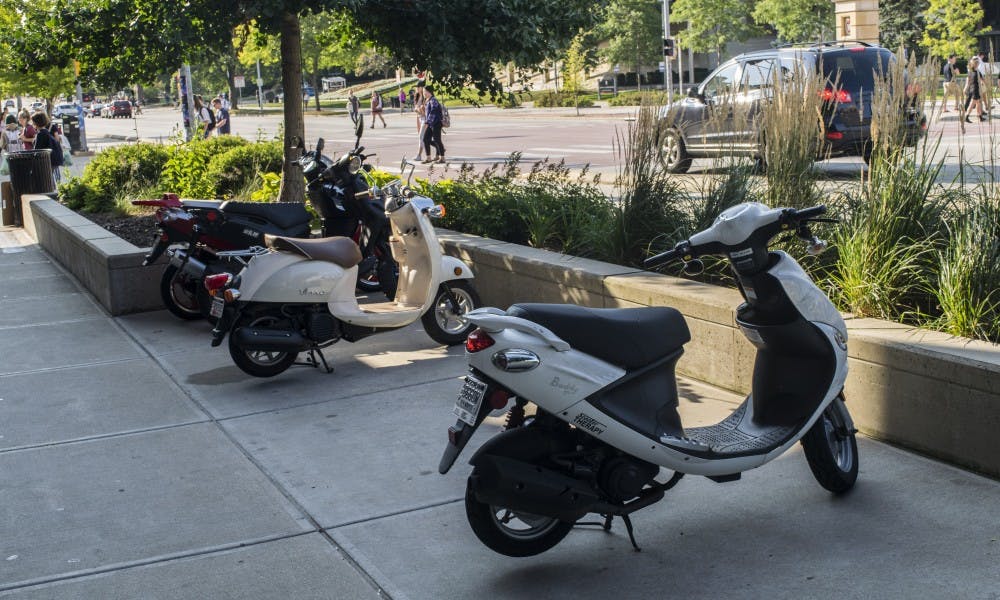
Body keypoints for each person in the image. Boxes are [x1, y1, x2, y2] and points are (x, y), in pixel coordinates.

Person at [29, 112, 63, 183]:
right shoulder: (46, 132)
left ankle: (52, 189)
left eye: (33, 123)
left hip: (47, 162)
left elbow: (36, 151)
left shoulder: (40, 134)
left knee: (47, 181)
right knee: (50, 179)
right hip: (53, 160)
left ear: (35, 123)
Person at [421, 85, 445, 164]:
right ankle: (428, 158)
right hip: (431, 124)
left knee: (437, 140)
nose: (423, 93)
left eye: (424, 91)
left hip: (436, 123)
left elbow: (433, 111)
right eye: (423, 92)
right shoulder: (428, 100)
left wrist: (427, 122)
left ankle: (442, 158)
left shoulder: (433, 100)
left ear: (429, 92)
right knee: (425, 139)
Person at [964, 57, 985, 122]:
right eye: (978, 62)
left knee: (978, 103)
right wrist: (984, 83)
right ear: (977, 64)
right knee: (973, 103)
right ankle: (966, 116)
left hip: (971, 89)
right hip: (976, 89)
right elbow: (983, 80)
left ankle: (980, 116)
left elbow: (968, 82)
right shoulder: (978, 72)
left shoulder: (970, 72)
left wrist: (965, 89)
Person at [413, 85, 427, 161]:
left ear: (422, 87)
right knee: (426, 137)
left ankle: (419, 155)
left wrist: (418, 110)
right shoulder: (417, 96)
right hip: (419, 118)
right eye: (416, 87)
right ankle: (440, 149)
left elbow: (424, 112)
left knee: (421, 137)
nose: (417, 88)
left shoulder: (425, 96)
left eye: (418, 87)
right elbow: (416, 108)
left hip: (425, 119)